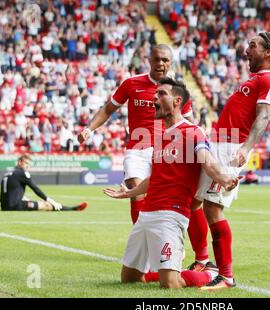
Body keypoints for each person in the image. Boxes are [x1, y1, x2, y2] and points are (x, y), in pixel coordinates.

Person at [104, 78, 240, 288]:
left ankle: (208, 273)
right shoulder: (161, 137)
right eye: (155, 93)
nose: (154, 98)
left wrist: (224, 178)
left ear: (177, 101)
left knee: (170, 284)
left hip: (171, 215)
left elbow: (208, 161)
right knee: (129, 278)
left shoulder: (193, 132)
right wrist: (128, 193)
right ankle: (178, 269)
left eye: (161, 94)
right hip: (146, 215)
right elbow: (154, 178)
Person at [190, 32, 270, 289]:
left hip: (232, 147)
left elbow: (263, 116)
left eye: (253, 46)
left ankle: (226, 276)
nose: (246, 50)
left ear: (269, 53)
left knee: (212, 206)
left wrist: (246, 147)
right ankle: (203, 261)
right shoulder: (254, 79)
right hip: (219, 143)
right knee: (194, 202)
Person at [78, 44, 193, 225]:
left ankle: (172, 247)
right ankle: (142, 245)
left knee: (167, 201)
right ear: (149, 60)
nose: (160, 63)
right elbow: (108, 109)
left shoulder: (178, 90)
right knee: (137, 191)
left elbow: (190, 123)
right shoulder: (131, 84)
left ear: (171, 63)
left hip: (166, 152)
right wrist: (89, 129)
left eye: (165, 60)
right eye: (156, 59)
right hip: (137, 150)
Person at [0, 155, 87, 212]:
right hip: (14, 206)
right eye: (26, 163)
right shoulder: (22, 173)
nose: (27, 166)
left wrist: (22, 198)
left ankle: (70, 208)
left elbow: (9, 190)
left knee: (32, 201)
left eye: (29, 164)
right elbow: (35, 188)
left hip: (4, 206)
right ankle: (72, 209)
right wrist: (49, 199)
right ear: (19, 162)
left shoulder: (8, 173)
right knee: (46, 204)